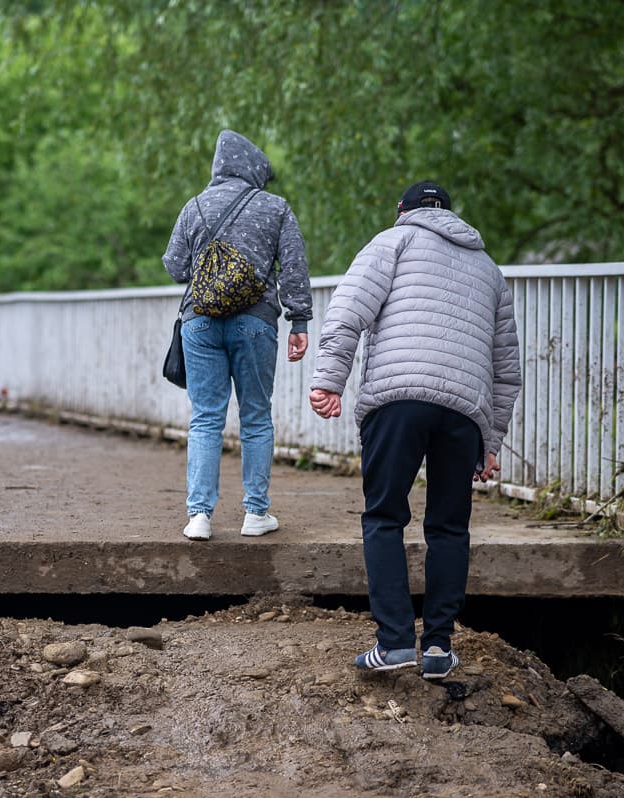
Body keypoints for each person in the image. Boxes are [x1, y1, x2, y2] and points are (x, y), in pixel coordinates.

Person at [309, 181, 520, 679]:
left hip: (398, 397)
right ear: (451, 214)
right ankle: (438, 648)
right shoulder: (488, 269)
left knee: (384, 517)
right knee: (449, 527)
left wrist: (329, 381)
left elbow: (347, 313)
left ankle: (396, 642)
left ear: (401, 210)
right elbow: (507, 368)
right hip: (464, 412)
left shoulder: (392, 241)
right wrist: (490, 442)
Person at [163, 130, 313, 541]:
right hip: (255, 322)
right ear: (253, 167)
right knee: (256, 416)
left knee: (206, 418)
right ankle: (255, 513)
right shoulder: (275, 207)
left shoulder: (193, 206)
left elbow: (176, 267)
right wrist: (299, 321)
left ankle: (199, 516)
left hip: (201, 321)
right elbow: (294, 269)